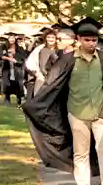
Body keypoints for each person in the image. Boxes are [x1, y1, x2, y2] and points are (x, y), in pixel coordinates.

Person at [61, 18, 103, 185]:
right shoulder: (69, 59)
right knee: (81, 152)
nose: (91, 43)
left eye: (94, 40)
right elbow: (57, 84)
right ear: (79, 39)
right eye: (87, 40)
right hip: (77, 111)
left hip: (101, 111)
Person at [21, 25, 78, 173]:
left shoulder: (77, 57)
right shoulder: (57, 55)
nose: (56, 41)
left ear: (72, 40)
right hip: (59, 98)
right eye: (55, 38)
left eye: (60, 38)